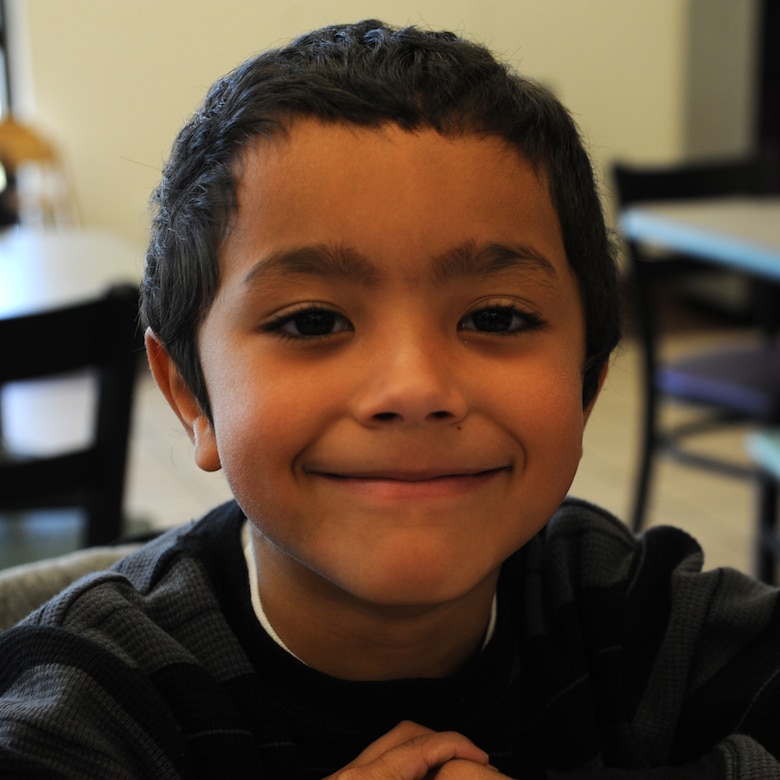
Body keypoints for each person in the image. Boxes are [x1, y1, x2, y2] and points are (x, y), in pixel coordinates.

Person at [1, 19, 779, 779]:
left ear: (588, 379)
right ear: (189, 395)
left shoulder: (626, 608)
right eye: (312, 321)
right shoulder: (98, 694)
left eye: (496, 318)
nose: (414, 390)